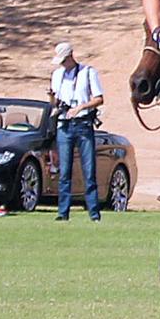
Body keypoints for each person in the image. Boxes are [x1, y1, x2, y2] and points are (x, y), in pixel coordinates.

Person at [50, 41, 104, 222]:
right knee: (64, 172)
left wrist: (81, 107)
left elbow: (99, 98)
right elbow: (55, 102)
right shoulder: (57, 75)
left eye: (64, 60)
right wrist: (52, 99)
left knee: (89, 171)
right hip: (64, 125)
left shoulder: (88, 72)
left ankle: (94, 213)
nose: (63, 64)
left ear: (70, 56)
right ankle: (63, 212)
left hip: (83, 124)